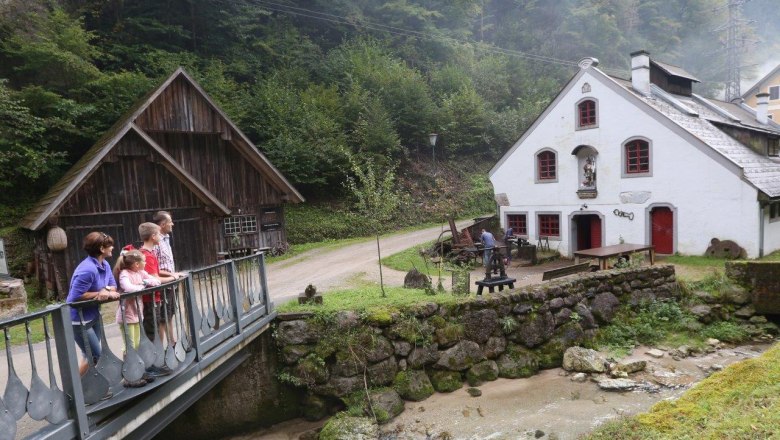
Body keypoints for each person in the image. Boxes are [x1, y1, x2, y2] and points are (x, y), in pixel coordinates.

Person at [66, 232, 120, 380]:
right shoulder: (88, 269)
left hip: (93, 316)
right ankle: (74, 389)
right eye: (110, 245)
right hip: (79, 319)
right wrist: (99, 292)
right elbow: (74, 297)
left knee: (88, 356)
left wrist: (106, 290)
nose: (113, 248)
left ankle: (81, 388)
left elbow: (113, 286)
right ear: (102, 248)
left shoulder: (105, 264)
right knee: (96, 356)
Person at [114, 248, 160, 387]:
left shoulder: (140, 272)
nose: (145, 263)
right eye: (144, 261)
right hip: (126, 316)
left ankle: (138, 371)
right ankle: (129, 376)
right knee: (130, 346)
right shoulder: (124, 274)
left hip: (136, 315)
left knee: (137, 343)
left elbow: (155, 281)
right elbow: (128, 288)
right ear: (136, 264)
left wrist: (145, 283)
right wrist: (142, 285)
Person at [138, 222, 175, 376]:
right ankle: (148, 366)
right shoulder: (146, 255)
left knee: (152, 330)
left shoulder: (149, 254)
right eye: (159, 234)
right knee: (151, 332)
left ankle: (152, 363)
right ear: (153, 237)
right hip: (150, 300)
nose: (161, 237)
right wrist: (171, 278)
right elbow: (154, 279)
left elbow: (157, 274)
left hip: (154, 299)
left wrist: (172, 275)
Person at [153, 211, 185, 346]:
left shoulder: (166, 239)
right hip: (162, 285)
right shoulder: (156, 241)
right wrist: (171, 275)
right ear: (162, 224)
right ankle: (161, 351)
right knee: (162, 317)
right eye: (170, 221)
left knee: (169, 314)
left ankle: (172, 343)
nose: (172, 224)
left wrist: (173, 274)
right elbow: (153, 267)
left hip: (171, 284)